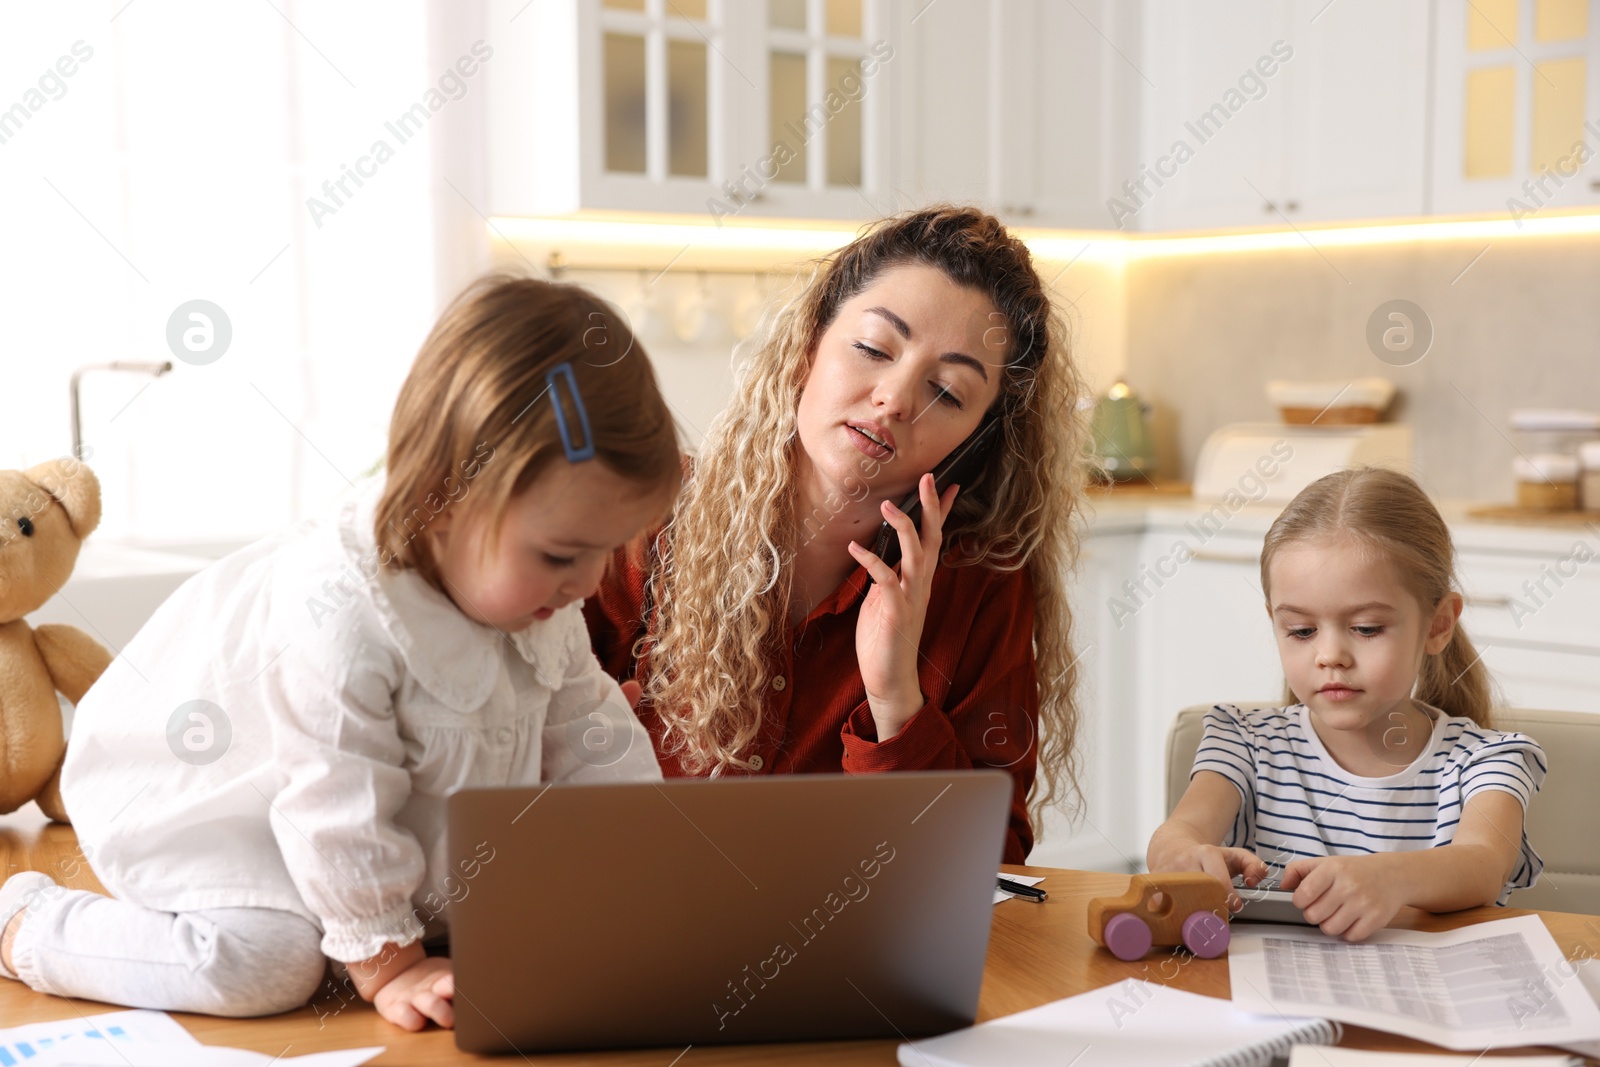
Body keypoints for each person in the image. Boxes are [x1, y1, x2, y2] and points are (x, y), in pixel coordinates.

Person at [0, 277, 681, 1027]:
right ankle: (30, 924)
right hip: (217, 810)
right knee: (269, 965)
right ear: (447, 496)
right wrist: (390, 961)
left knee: (492, 921)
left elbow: (594, 739)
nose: (588, 580)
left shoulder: (541, 597)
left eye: (603, 551)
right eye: (561, 553)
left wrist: (645, 871)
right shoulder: (340, 606)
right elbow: (333, 801)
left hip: (342, 824)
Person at [585, 206, 1090, 863]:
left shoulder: (982, 582)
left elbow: (986, 861)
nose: (896, 399)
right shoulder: (648, 515)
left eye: (948, 389)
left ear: (979, 436)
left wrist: (896, 701)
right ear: (809, 343)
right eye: (874, 348)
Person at [1148, 467, 1546, 942]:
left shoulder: (1489, 761)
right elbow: (1180, 832)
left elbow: (1482, 864)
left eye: (1366, 628)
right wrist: (1181, 856)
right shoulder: (1242, 739)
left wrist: (1391, 878)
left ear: (1439, 625)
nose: (1330, 655)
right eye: (1301, 631)